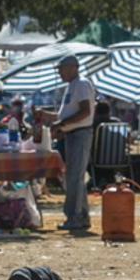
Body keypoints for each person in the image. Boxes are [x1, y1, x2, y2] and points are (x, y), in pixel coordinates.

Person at [36, 55, 96, 230]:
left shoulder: (82, 84)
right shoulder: (72, 86)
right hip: (72, 134)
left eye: (61, 69)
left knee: (74, 178)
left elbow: (85, 112)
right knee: (75, 177)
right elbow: (65, 115)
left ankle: (74, 216)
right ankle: (82, 216)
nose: (60, 73)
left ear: (72, 67)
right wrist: (46, 115)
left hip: (80, 134)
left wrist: (62, 124)